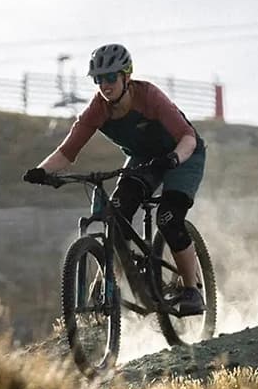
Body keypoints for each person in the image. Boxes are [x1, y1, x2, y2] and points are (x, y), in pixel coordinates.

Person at [24, 43, 207, 316]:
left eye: (111, 77)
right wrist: (41, 171)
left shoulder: (149, 97)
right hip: (145, 159)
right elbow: (67, 151)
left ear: (126, 76)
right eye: (99, 79)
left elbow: (188, 137)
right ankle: (111, 281)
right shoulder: (97, 109)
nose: (105, 85)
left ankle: (192, 289)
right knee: (116, 216)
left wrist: (174, 158)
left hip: (183, 156)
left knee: (168, 217)